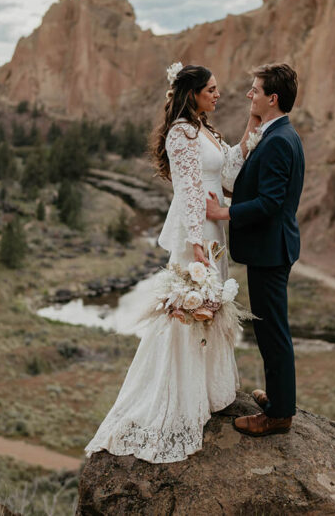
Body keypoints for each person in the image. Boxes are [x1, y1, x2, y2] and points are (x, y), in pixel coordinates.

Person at [84, 63, 260, 463]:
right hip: (195, 232)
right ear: (193, 92)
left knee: (210, 310)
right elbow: (189, 186)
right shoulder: (181, 133)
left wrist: (252, 123)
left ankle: (209, 391)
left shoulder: (206, 130)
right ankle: (179, 398)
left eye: (217, 90)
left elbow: (230, 168)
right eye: (211, 90)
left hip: (213, 230)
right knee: (188, 310)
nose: (218, 95)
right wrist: (196, 242)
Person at [206, 63, 304, 437]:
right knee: (270, 329)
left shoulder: (279, 140)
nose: (250, 94)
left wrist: (222, 213)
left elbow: (270, 203)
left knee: (273, 333)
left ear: (272, 98)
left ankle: (279, 415)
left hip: (271, 250)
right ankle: (279, 399)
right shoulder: (278, 133)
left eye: (255, 90)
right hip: (271, 248)